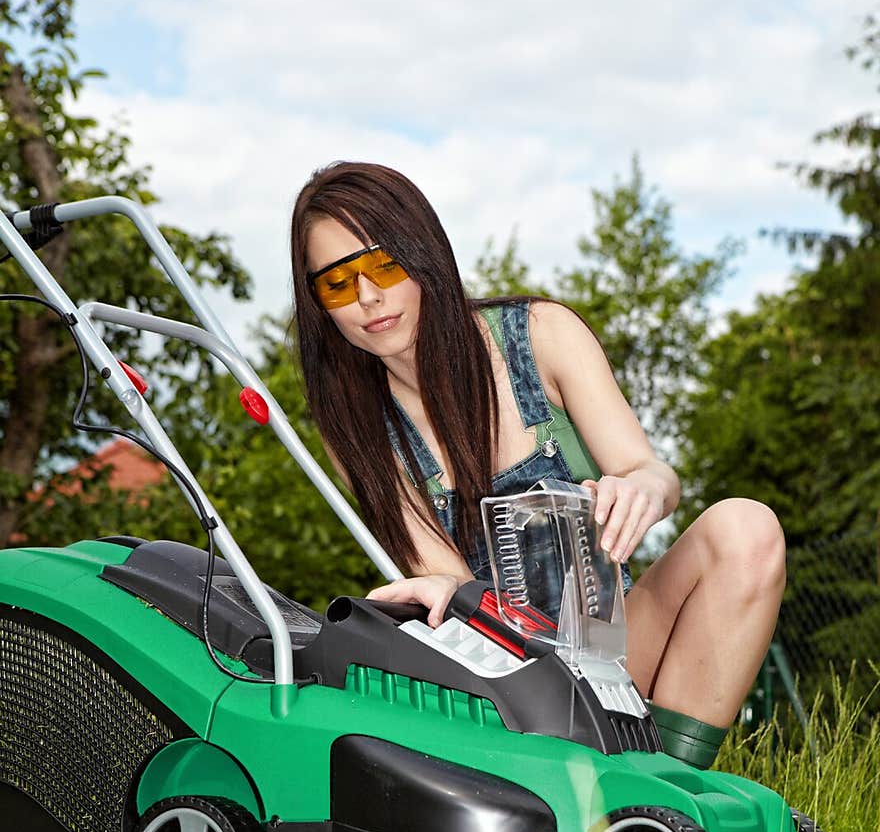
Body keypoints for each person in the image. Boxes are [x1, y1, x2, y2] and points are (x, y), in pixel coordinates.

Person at [290, 161, 786, 769]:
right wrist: (439, 593)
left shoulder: (541, 334)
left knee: (746, 527)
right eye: (338, 284)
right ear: (320, 305)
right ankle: (606, 788)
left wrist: (641, 491)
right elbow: (458, 601)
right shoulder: (360, 431)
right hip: (505, 687)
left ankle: (666, 784)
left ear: (423, 254)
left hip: (614, 649)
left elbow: (649, 470)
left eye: (383, 265)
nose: (367, 298)